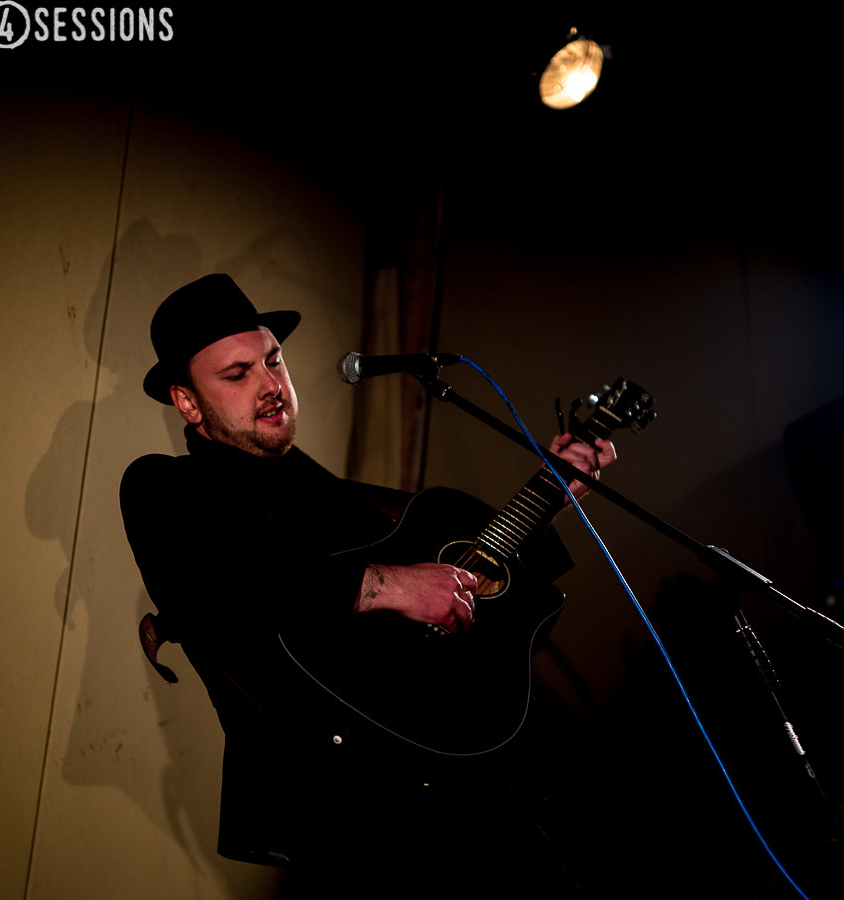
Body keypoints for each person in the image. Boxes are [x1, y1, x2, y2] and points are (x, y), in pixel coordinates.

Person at [120, 274, 615, 895]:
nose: (271, 385)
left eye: (273, 360)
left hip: (489, 777)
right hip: (365, 816)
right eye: (237, 374)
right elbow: (224, 589)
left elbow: (454, 565)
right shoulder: (165, 489)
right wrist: (394, 586)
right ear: (188, 403)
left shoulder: (322, 491)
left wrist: (550, 498)